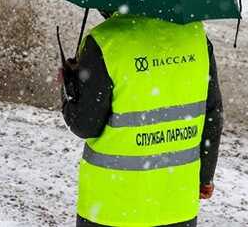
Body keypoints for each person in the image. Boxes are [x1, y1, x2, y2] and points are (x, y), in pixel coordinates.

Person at [60, 12, 223, 227]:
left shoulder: (105, 41)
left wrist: (68, 89)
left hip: (111, 207)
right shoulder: (196, 37)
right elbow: (212, 113)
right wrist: (204, 177)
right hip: (176, 205)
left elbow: (84, 125)